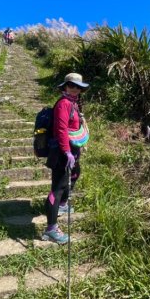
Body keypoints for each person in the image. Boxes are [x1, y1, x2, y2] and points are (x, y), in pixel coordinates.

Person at [42, 72, 89, 244]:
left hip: (72, 150)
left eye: (78, 87)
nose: (75, 89)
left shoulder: (73, 103)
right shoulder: (64, 104)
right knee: (58, 187)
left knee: (76, 173)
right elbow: (61, 129)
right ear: (65, 86)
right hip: (62, 152)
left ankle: (62, 205)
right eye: (71, 85)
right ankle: (51, 229)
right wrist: (66, 151)